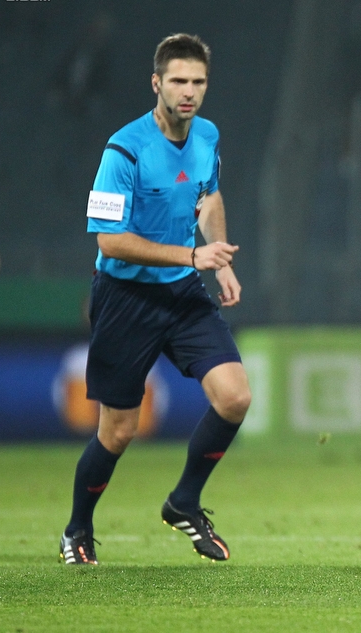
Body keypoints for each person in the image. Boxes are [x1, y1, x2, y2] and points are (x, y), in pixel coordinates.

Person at [60, 34, 251, 565]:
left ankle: (184, 500)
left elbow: (208, 194)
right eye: (178, 81)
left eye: (198, 82)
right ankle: (77, 530)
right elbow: (109, 240)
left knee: (235, 397)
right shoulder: (123, 149)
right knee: (118, 431)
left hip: (183, 293)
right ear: (157, 83)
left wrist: (219, 255)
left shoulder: (207, 135)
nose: (188, 92)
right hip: (125, 297)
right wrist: (192, 258)